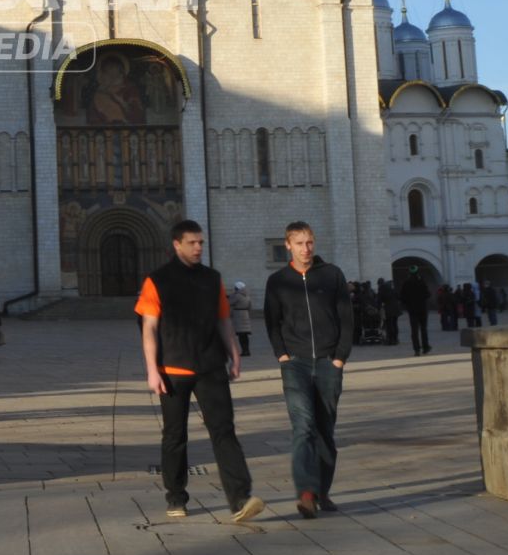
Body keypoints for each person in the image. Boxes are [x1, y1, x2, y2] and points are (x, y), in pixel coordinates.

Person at [137, 219, 265, 523]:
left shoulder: (212, 279)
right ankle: (176, 496)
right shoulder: (157, 280)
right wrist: (151, 370)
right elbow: (149, 329)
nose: (198, 248)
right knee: (174, 434)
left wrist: (233, 352)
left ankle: (240, 499)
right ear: (177, 244)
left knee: (224, 431)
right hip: (173, 368)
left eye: (201, 242)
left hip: (210, 365)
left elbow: (223, 319)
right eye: (192, 242)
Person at [264, 221, 354, 519]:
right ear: (287, 244)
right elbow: (272, 321)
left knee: (326, 431)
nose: (306, 249)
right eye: (300, 243)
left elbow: (346, 318)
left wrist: (339, 358)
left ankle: (321, 492)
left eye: (310, 242)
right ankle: (305, 493)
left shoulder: (332, 275)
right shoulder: (278, 281)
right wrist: (283, 356)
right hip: (296, 365)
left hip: (328, 362)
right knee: (303, 427)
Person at [399, 265, 432, 355]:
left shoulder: (406, 283)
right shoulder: (422, 281)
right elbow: (428, 294)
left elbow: (402, 297)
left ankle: (416, 349)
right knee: (423, 329)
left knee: (414, 330)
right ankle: (425, 347)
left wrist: (408, 304)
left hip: (412, 310)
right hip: (423, 308)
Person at [228, 281, 253, 357]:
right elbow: (250, 307)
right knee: (245, 335)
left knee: (241, 335)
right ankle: (247, 350)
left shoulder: (237, 296)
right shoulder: (247, 296)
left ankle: (244, 351)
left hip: (238, 315)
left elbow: (230, 302)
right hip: (245, 315)